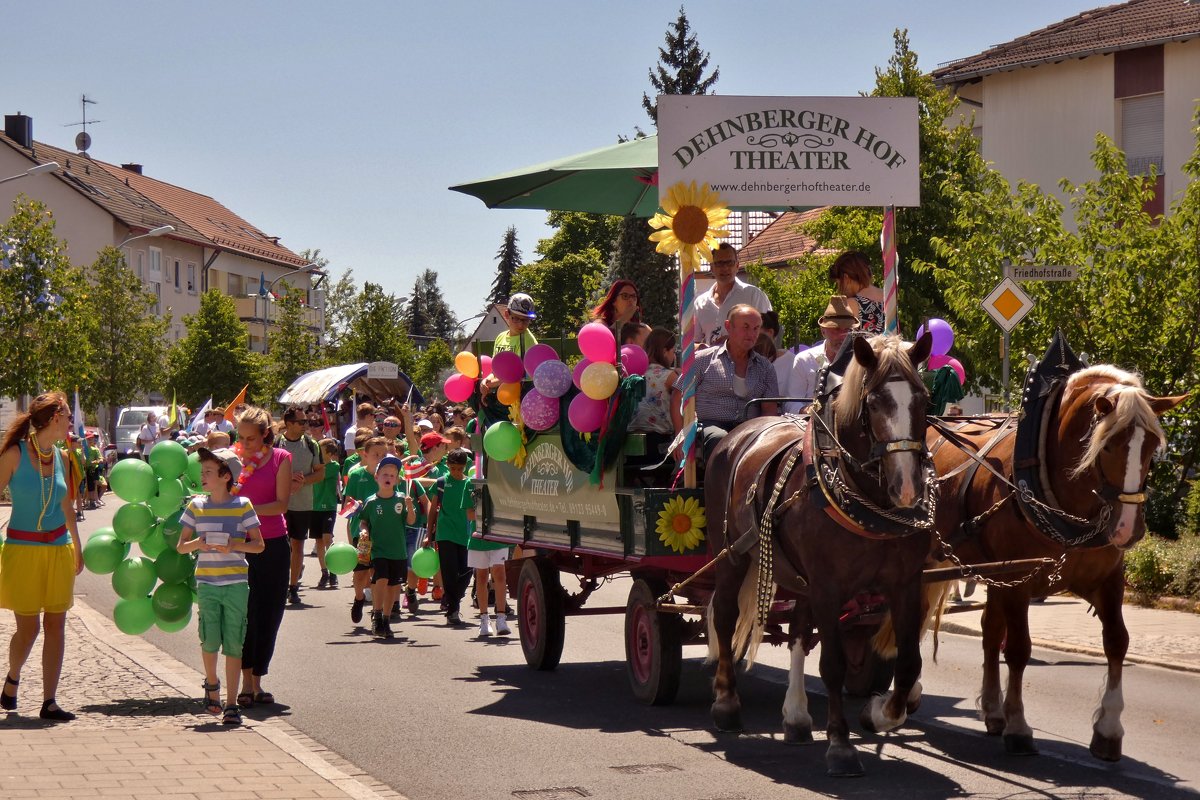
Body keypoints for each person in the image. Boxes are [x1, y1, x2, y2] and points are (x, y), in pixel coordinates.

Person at [0, 392, 82, 721]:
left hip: (58, 548)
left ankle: (49, 701)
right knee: (29, 628)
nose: (70, 422)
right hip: (23, 551)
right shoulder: (14, 454)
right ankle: (12, 678)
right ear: (52, 419)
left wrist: (77, 545)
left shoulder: (62, 457)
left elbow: (67, 507)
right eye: (66, 415)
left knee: (57, 624)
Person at [176, 447, 265, 726]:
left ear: (226, 476)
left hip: (236, 583)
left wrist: (233, 545)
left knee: (234, 643)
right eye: (201, 472)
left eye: (208, 472)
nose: (202, 476)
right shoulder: (196, 506)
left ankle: (231, 704)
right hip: (207, 583)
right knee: (210, 639)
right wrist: (198, 544)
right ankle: (212, 685)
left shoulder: (243, 506)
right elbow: (180, 547)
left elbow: (259, 545)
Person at [231, 406, 293, 710]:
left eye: (251, 439)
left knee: (270, 614)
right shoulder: (230, 460)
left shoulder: (281, 459)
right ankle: (244, 683)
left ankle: (258, 680)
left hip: (273, 545)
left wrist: (246, 510)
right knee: (246, 614)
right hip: (240, 545)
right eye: (240, 438)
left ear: (265, 435)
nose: (244, 444)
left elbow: (280, 505)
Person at [671, 305, 778, 461]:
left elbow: (770, 410)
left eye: (756, 328)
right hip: (710, 426)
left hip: (750, 427)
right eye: (745, 327)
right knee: (719, 440)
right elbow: (677, 396)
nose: (751, 334)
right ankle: (720, 484)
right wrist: (680, 435)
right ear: (729, 326)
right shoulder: (703, 359)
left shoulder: (765, 367)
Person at [360, 455, 416, 639]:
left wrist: (410, 507)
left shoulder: (401, 499)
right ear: (376, 477)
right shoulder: (371, 501)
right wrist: (364, 532)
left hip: (398, 550)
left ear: (397, 480)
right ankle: (376, 614)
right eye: (384, 474)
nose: (388, 478)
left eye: (392, 475)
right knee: (381, 578)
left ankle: (386, 619)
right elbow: (364, 522)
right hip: (379, 550)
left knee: (394, 586)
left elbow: (410, 521)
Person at [780, 296, 861, 413]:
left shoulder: (860, 360)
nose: (842, 336)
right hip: (809, 423)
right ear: (823, 331)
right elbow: (790, 402)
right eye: (836, 329)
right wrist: (808, 411)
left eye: (847, 330)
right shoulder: (805, 359)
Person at [279, 407, 325, 605]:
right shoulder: (275, 444)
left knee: (298, 544)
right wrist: (285, 480)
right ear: (289, 424)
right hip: (278, 504)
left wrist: (302, 481)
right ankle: (279, 583)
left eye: (306, 422)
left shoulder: (311, 444)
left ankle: (293, 586)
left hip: (302, 504)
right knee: (279, 546)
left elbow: (320, 473)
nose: (306, 425)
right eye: (301, 422)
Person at [426, 448, 475, 627]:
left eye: (459, 469)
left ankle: (451, 597)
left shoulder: (470, 484)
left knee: (467, 571)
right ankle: (452, 610)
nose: (456, 472)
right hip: (445, 534)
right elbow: (433, 509)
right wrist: (428, 534)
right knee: (449, 572)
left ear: (465, 467)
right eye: (453, 468)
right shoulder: (441, 483)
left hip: (465, 534)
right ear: (447, 465)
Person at [694, 243, 772, 349]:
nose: (725, 268)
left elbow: (767, 336)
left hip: (747, 364)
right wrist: (703, 348)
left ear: (737, 266)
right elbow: (693, 341)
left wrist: (734, 342)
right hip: (712, 363)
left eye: (729, 262)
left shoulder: (754, 295)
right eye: (719, 263)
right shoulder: (700, 303)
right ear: (711, 268)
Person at [345, 434, 388, 625]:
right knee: (361, 571)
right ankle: (359, 598)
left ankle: (377, 611)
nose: (380, 458)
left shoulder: (390, 475)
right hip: (362, 534)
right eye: (376, 454)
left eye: (383, 454)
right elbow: (346, 506)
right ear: (365, 455)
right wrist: (356, 505)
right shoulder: (356, 475)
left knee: (378, 573)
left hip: (385, 534)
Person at [629, 328, 678, 462]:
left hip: (630, 443)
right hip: (659, 444)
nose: (674, 357)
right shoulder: (670, 377)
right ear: (664, 351)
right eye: (673, 351)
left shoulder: (635, 374)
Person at [829, 250, 884, 335]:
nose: (839, 289)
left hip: (863, 348)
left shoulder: (851, 304)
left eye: (839, 283)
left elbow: (840, 339)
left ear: (846, 278)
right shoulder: (887, 295)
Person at [313, 438, 342, 590]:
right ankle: (324, 572)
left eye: (321, 450)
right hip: (314, 507)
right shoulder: (314, 466)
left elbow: (320, 474)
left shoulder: (334, 466)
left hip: (328, 507)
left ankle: (333, 570)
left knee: (327, 538)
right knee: (318, 541)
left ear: (330, 453)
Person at [591, 280, 652, 347]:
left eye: (634, 296)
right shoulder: (601, 325)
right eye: (625, 296)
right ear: (614, 301)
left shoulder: (643, 329)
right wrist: (623, 319)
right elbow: (600, 345)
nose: (631, 300)